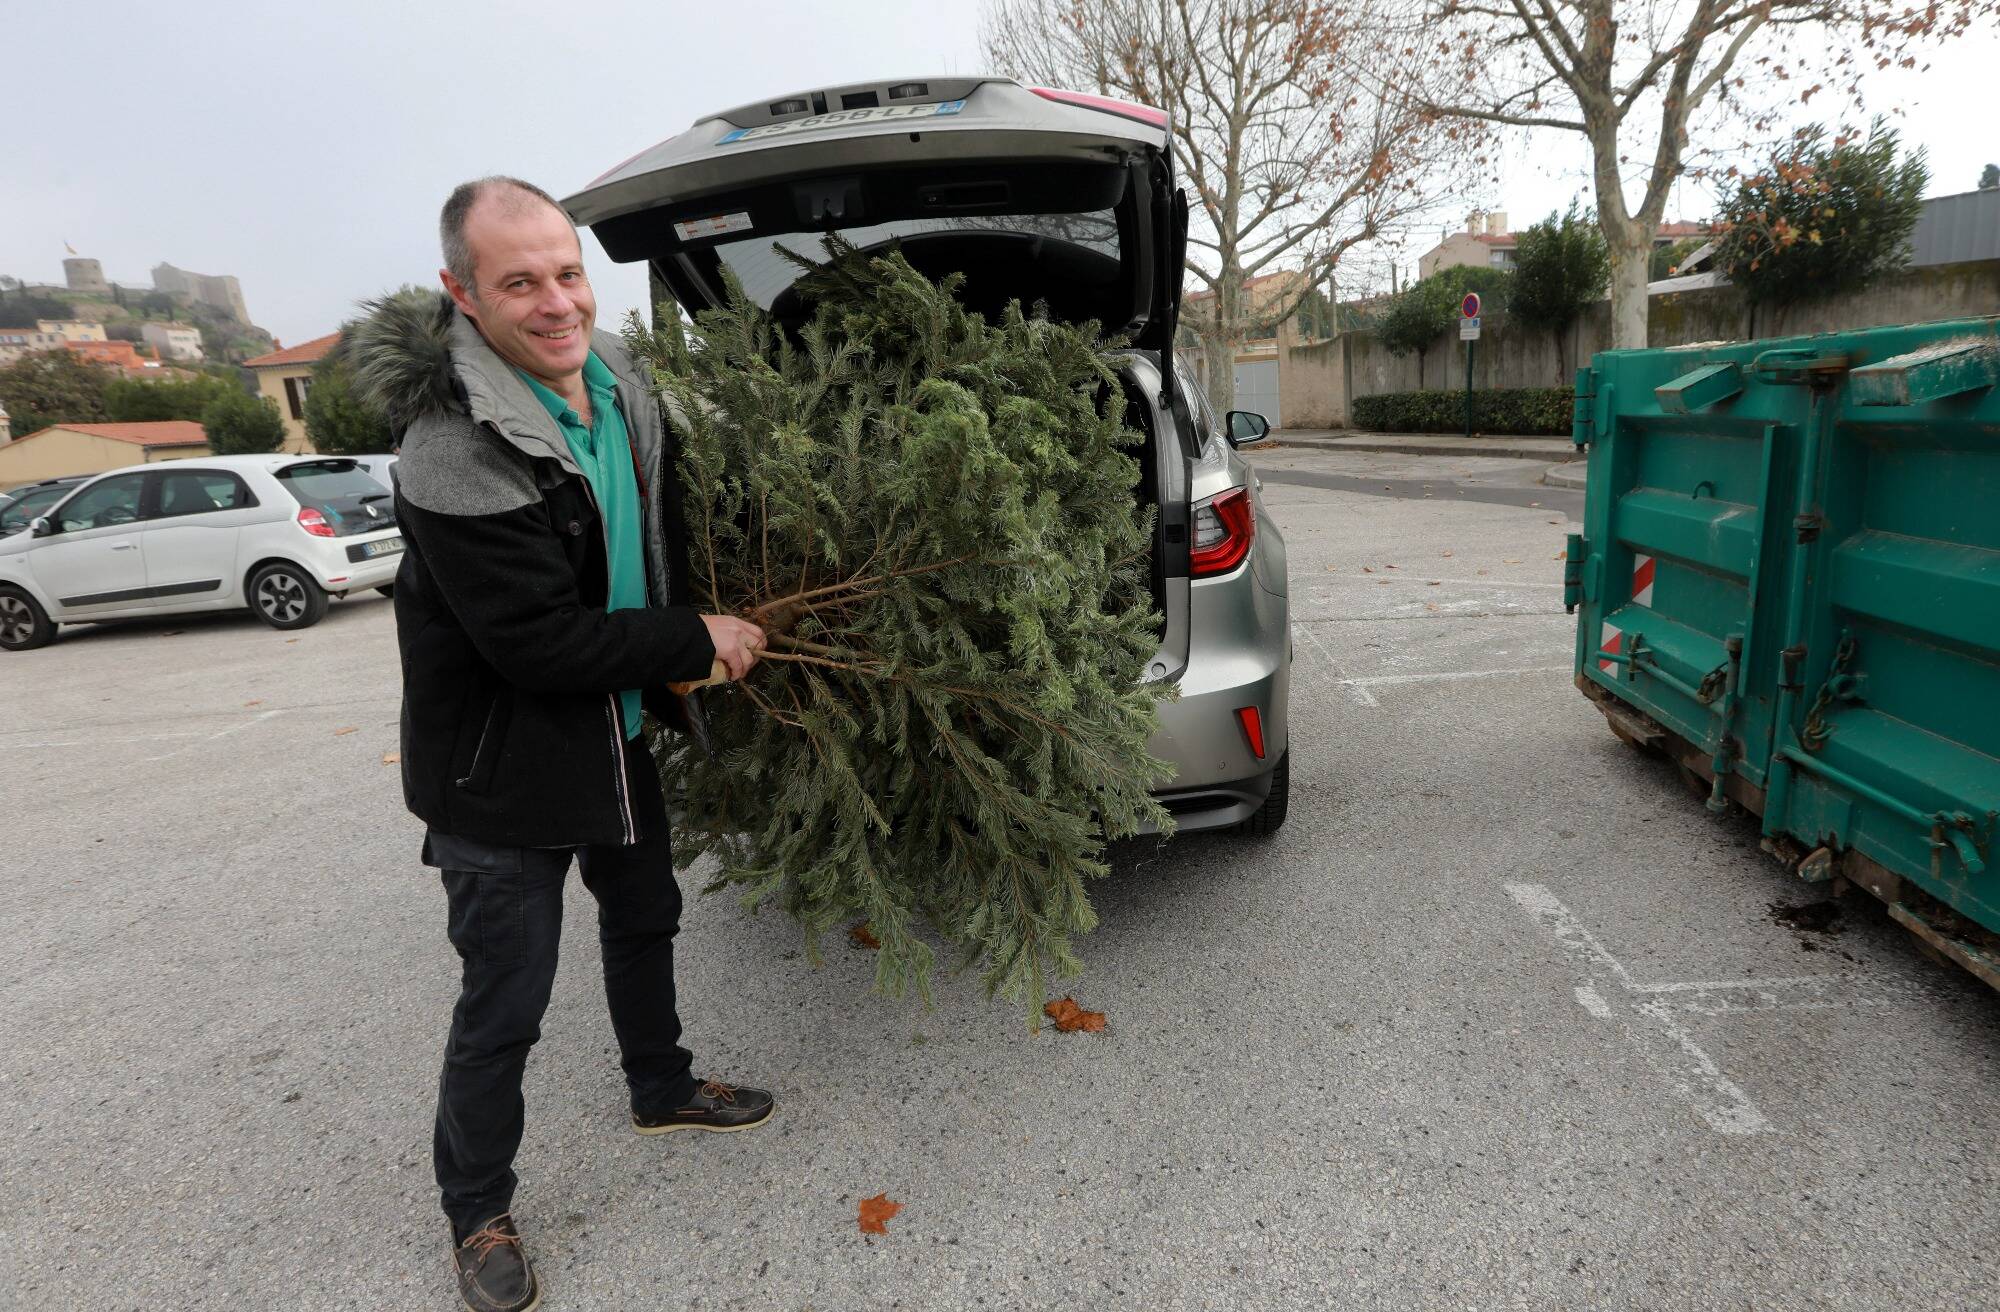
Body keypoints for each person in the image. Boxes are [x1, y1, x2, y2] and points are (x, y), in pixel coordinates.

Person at [352, 175, 773, 1312]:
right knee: (507, 999)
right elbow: (535, 642)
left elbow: (655, 529)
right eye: (519, 282)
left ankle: (661, 1085)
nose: (556, 303)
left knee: (646, 915)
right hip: (500, 770)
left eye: (568, 273)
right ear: (462, 294)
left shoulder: (618, 384)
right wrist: (691, 636)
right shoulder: (450, 448)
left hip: (612, 725)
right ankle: (475, 1208)